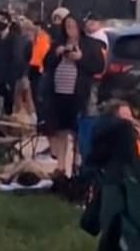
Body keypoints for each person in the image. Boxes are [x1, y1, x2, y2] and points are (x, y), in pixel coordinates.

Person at [44, 14, 106, 177]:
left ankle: (78, 166)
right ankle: (61, 167)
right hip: (59, 93)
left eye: (72, 26)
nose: (69, 29)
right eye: (67, 26)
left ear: (79, 27)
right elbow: (46, 63)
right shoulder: (59, 44)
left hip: (79, 93)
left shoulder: (91, 45)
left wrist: (80, 58)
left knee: (78, 130)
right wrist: (56, 54)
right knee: (62, 130)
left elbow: (98, 66)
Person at [0, 10, 29, 115]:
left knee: (9, 111)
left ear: (9, 23)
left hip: (9, 83)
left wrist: (11, 80)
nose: (0, 22)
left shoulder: (15, 40)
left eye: (3, 20)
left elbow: (17, 60)